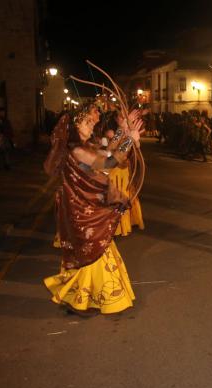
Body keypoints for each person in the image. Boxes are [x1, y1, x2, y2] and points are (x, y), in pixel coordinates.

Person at [43, 104, 143, 315]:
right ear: (75, 126)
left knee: (97, 253)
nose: (91, 125)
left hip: (88, 209)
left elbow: (106, 151)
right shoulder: (77, 150)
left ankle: (81, 299)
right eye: (87, 122)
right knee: (94, 253)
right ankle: (82, 300)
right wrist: (129, 140)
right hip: (84, 212)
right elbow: (107, 163)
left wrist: (123, 130)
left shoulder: (86, 146)